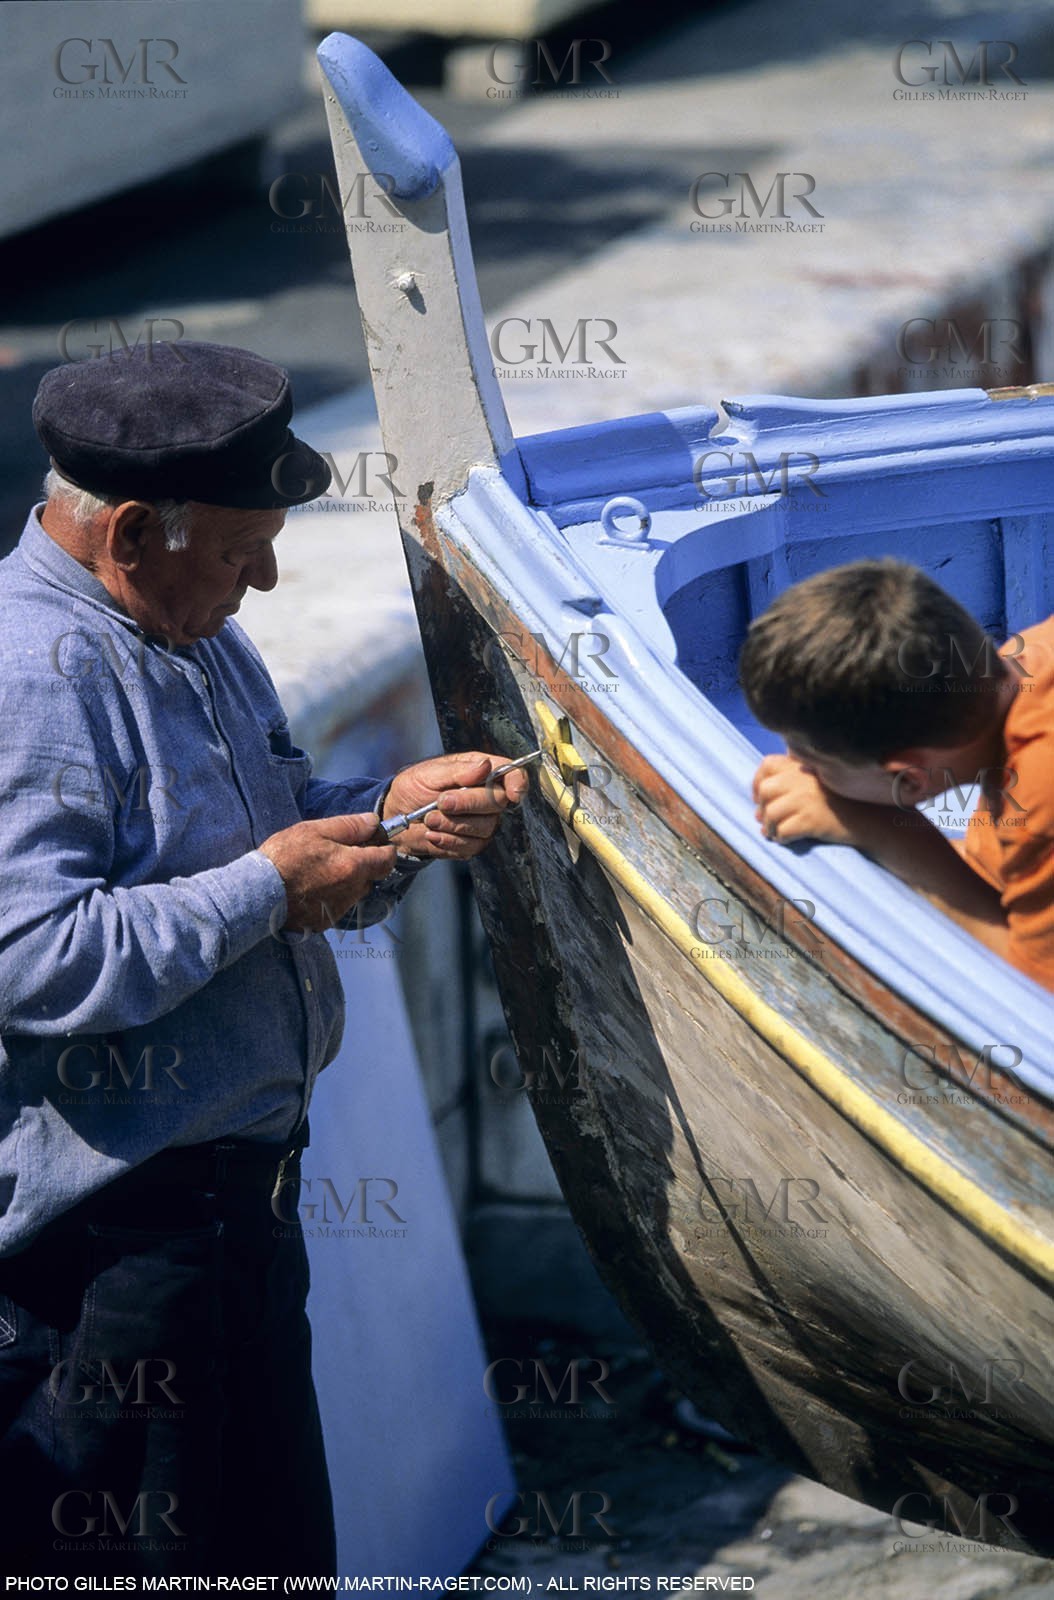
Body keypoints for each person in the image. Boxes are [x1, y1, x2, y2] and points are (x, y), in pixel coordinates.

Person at [0, 342, 530, 1575]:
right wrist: (274, 886)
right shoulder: (33, 677)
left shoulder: (190, 629)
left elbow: (267, 819)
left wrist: (391, 811)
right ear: (132, 532)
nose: (270, 579)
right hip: (114, 1259)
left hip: (233, 1226)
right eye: (245, 551)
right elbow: (31, 956)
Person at [739, 557, 1054, 990]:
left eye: (813, 767)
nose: (798, 772)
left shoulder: (1041, 790)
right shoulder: (1029, 659)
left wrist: (889, 835)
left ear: (909, 779)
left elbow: (1037, 996)